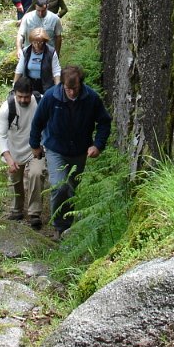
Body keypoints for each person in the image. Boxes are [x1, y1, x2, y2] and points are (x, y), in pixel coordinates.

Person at [29, 65, 112, 239]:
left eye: (75, 88)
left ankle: (66, 228)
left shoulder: (91, 98)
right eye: (68, 89)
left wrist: (98, 145)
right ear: (62, 85)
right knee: (60, 186)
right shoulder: (51, 97)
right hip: (55, 149)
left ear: (81, 84)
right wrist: (35, 144)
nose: (72, 92)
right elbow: (37, 122)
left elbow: (104, 122)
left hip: (79, 150)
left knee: (71, 189)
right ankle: (59, 227)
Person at [0, 78, 47, 228]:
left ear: (31, 93)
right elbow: (1, 135)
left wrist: (45, 145)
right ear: (14, 93)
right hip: (14, 150)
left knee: (36, 174)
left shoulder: (41, 101)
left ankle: (34, 213)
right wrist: (8, 158)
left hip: (36, 148)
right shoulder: (7, 108)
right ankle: (16, 209)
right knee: (15, 180)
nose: (23, 100)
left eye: (26, 97)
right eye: (20, 96)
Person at [13, 27, 61, 94]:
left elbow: (56, 71)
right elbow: (19, 69)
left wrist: (57, 87)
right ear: (31, 42)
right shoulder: (26, 51)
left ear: (45, 41)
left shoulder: (51, 52)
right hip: (29, 84)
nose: (37, 45)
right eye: (34, 42)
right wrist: (14, 86)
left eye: (40, 42)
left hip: (46, 84)